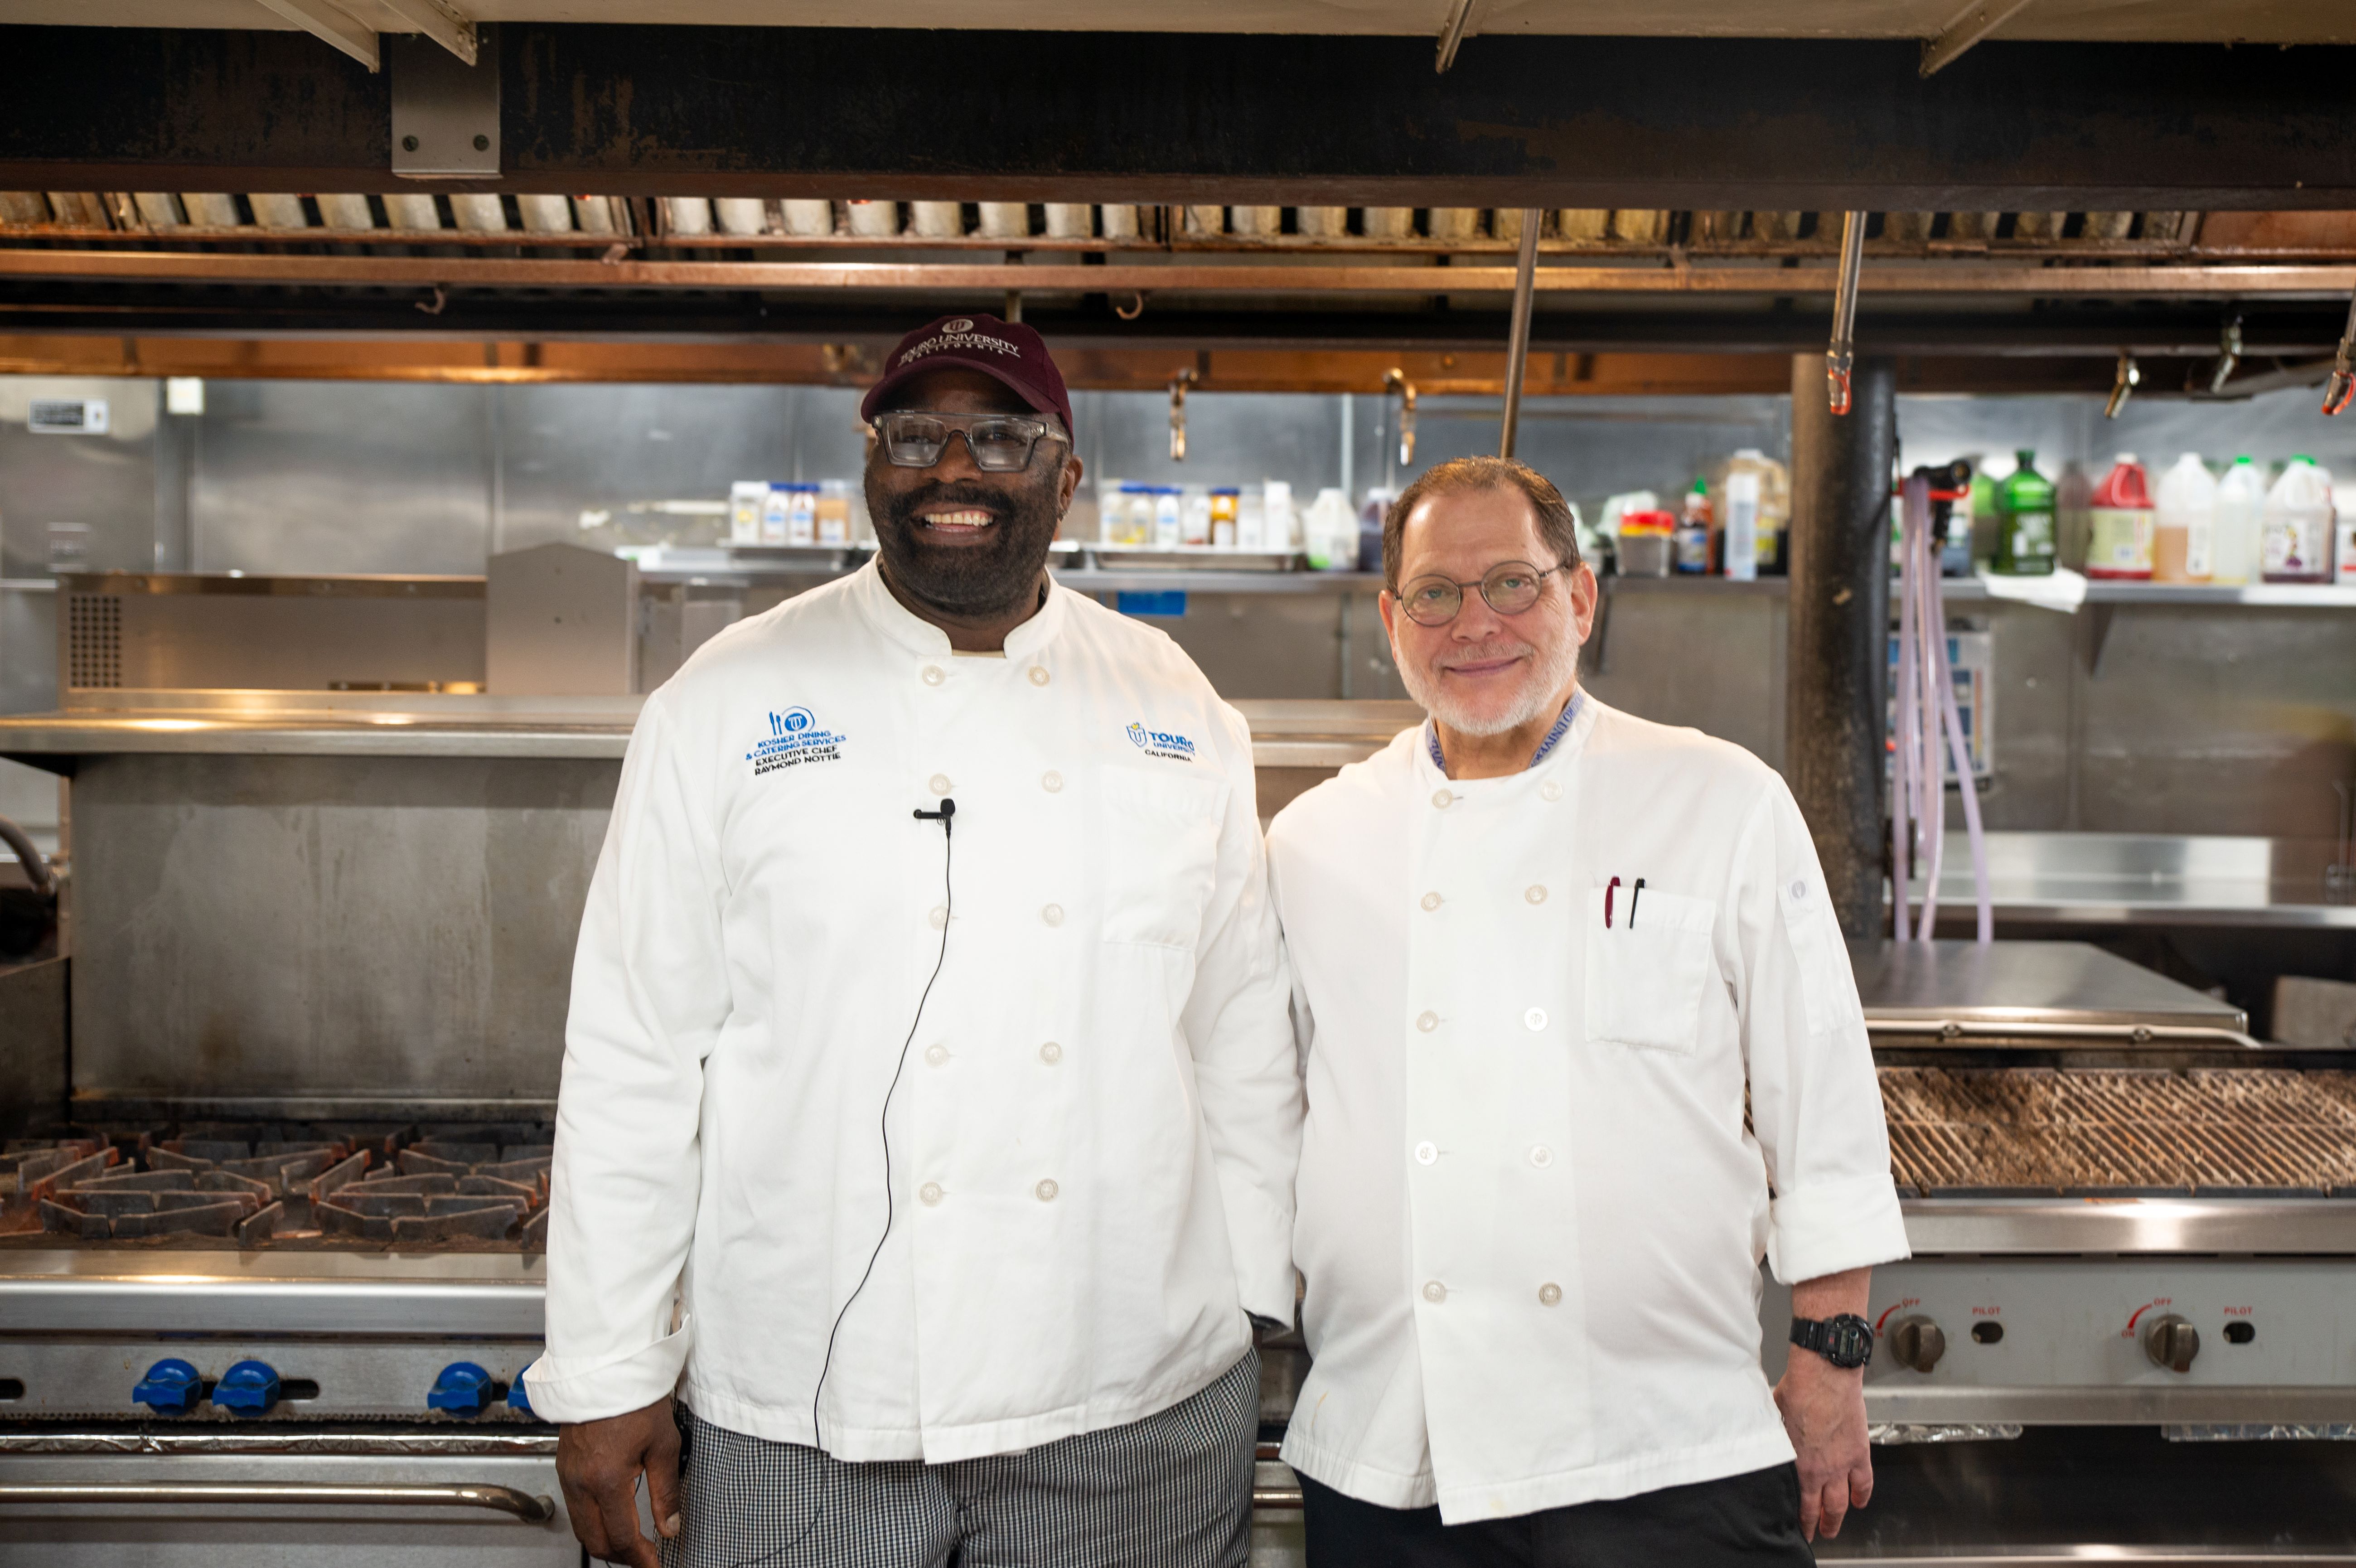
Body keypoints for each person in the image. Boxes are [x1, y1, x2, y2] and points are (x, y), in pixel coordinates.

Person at [528, 313, 1302, 1568]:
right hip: (810, 1401)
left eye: (1001, 435)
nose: (955, 468)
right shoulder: (725, 699)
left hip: (1133, 1400)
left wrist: (1257, 1296)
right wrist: (609, 1370)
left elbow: (1238, 1030)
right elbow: (635, 1052)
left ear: (1067, 475)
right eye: (914, 434)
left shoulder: (1175, 702)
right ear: (870, 463)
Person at [1265, 456, 1909, 1565]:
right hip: (1392, 1441)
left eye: (1510, 582)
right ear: (1389, 617)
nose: (1474, 623)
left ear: (1580, 595)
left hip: (1665, 1445)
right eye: (1435, 593)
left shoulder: (1716, 798)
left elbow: (1824, 1100)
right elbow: (1264, 1110)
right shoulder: (1315, 839)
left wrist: (1828, 1356)